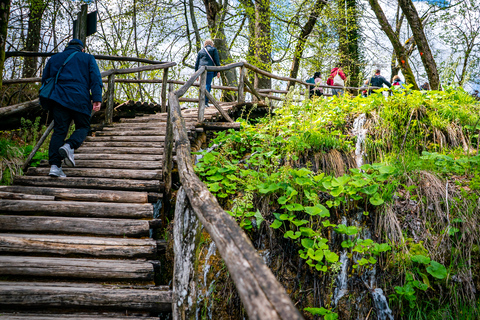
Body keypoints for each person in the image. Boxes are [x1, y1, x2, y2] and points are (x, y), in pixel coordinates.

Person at [40, 39, 103, 177]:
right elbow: (95, 79)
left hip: (59, 99)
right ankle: (69, 146)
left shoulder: (54, 58)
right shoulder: (87, 58)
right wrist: (97, 98)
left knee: (59, 131)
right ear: (82, 49)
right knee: (83, 127)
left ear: (67, 48)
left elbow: (45, 80)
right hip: (80, 99)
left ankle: (55, 167)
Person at [195, 39, 220, 105]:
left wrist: (196, 74)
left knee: (204, 84)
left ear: (205, 44)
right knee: (207, 85)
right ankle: (205, 102)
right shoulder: (213, 50)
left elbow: (197, 63)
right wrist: (218, 70)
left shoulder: (200, 51)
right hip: (209, 69)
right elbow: (217, 60)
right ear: (211, 44)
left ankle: (202, 101)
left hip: (201, 70)